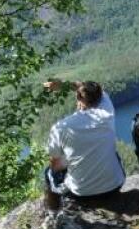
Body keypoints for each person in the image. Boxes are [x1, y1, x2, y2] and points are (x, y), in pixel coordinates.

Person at [43, 80, 125, 213]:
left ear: (78, 96)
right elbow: (83, 87)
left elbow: (56, 166)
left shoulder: (61, 127)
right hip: (115, 186)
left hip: (82, 193)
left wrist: (61, 84)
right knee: (111, 152)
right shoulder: (107, 109)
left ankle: (54, 212)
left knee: (48, 172)